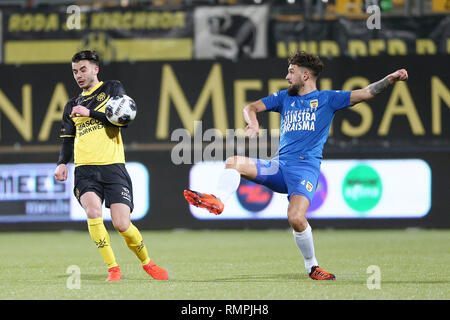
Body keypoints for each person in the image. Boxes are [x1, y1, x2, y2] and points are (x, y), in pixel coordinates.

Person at [184, 50, 408, 280]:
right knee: (234, 162)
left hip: (305, 169)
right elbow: (250, 107)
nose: (287, 76)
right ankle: (219, 201)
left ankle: (313, 267)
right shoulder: (284, 98)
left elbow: (366, 93)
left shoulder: (328, 99)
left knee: (296, 218)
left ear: (306, 75)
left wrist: (390, 79)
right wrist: (252, 123)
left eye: (291, 72)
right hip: (279, 167)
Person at [54, 50, 168, 282]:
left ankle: (148, 263)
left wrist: (91, 113)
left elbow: (123, 119)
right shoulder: (71, 105)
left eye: (83, 69)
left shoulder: (112, 89)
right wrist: (61, 163)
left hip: (113, 166)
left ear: (96, 69)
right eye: (75, 71)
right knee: (93, 212)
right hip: (85, 169)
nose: (79, 75)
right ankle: (113, 269)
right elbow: (67, 139)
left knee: (122, 224)